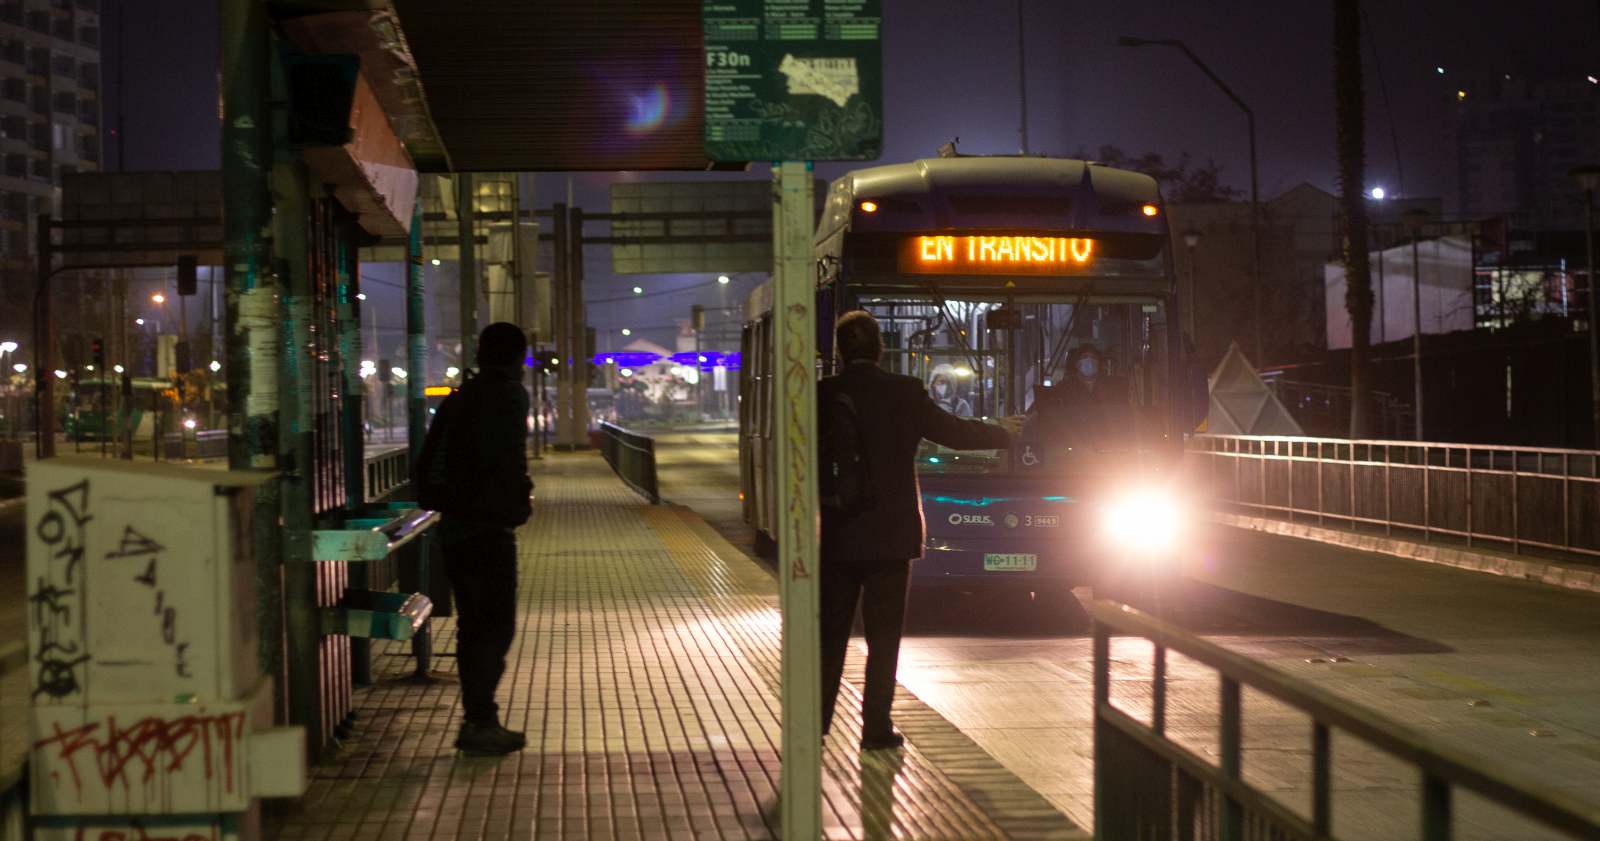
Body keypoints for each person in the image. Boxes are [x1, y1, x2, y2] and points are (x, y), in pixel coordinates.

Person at [818, 310, 1012, 751]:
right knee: (883, 638)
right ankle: (875, 728)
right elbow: (954, 434)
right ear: (880, 348)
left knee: (830, 635)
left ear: (840, 351)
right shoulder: (904, 393)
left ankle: (818, 723)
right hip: (892, 536)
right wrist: (1004, 434)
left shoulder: (823, 394)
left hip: (838, 533)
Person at [439, 322, 534, 755]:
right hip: (489, 530)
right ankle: (480, 722)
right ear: (518, 358)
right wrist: (518, 503)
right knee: (495, 627)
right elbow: (506, 459)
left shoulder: (461, 398)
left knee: (472, 625)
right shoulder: (509, 397)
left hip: (456, 528)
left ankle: (478, 718)